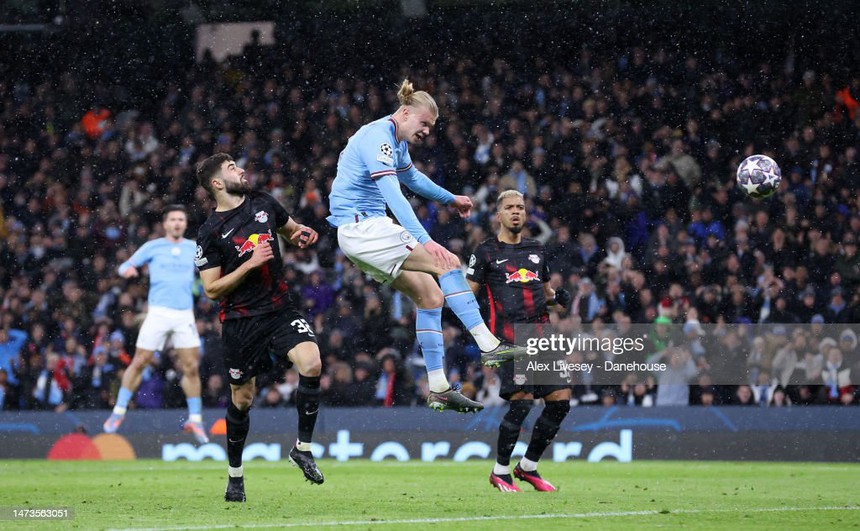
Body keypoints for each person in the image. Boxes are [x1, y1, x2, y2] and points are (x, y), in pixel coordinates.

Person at [327, 79, 527, 413]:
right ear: (404, 113)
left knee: (430, 297)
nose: (427, 132)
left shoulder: (395, 142)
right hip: (365, 226)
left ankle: (438, 387)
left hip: (360, 233)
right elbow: (393, 192)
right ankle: (488, 343)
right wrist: (426, 240)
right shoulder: (377, 136)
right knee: (447, 261)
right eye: (423, 124)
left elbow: (414, 179)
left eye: (431, 127)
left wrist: (451, 198)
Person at [195, 153, 325, 502]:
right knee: (243, 398)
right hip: (240, 321)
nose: (241, 170)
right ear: (217, 184)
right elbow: (211, 289)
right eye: (231, 168)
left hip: (280, 309)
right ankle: (235, 476)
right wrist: (249, 265)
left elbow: (290, 229)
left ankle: (303, 448)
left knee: (312, 363)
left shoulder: (264, 202)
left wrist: (300, 235)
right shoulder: (210, 232)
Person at [466, 190, 573, 493]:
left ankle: (528, 467)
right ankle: (500, 472)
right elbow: (466, 295)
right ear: (498, 215)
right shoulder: (486, 251)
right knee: (522, 402)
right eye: (510, 208)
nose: (516, 212)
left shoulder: (537, 249)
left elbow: (546, 293)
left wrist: (558, 298)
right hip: (511, 339)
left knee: (560, 402)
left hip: (543, 337)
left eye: (521, 208)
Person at [103, 205, 208, 443]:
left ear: (185, 223)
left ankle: (195, 419)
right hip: (158, 312)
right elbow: (123, 266)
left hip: (184, 314)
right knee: (140, 361)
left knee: (191, 367)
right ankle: (118, 412)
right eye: (173, 219)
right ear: (165, 223)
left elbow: (211, 268)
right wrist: (128, 270)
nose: (177, 223)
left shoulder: (194, 248)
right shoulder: (153, 247)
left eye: (181, 219)